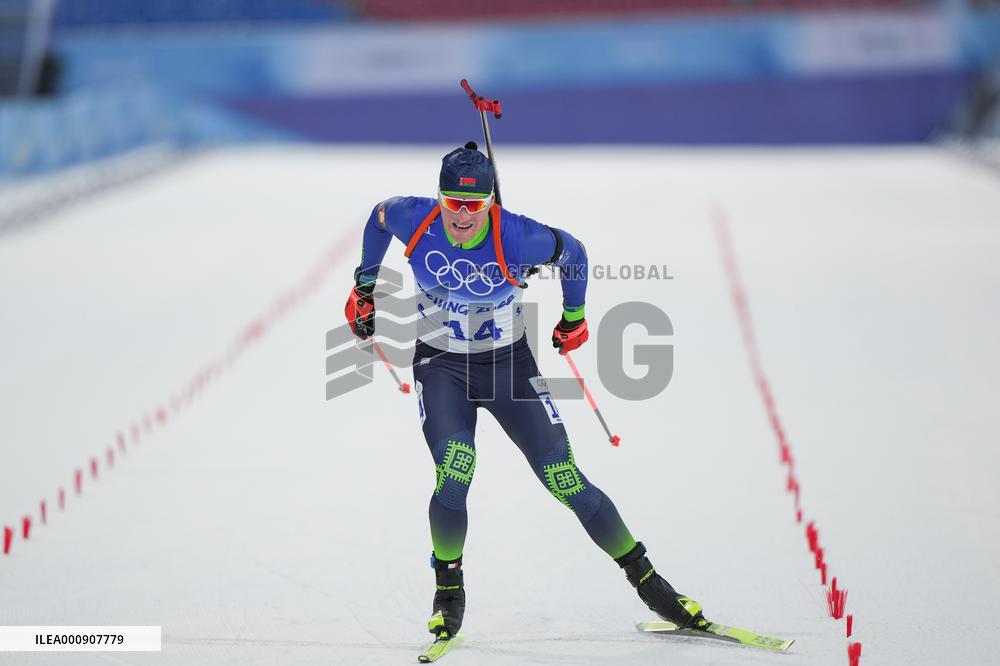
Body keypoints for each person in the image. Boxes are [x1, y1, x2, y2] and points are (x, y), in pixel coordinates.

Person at [344, 142, 704, 643]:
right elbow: (377, 219)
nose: (463, 215)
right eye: (453, 203)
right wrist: (363, 286)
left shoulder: (518, 236)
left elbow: (573, 252)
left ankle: (648, 581)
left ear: (491, 200)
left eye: (475, 205)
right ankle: (448, 589)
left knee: (565, 477)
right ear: (439, 198)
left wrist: (574, 315)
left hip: (508, 366)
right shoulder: (413, 218)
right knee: (456, 467)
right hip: (441, 367)